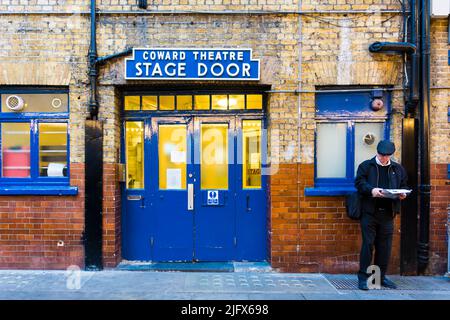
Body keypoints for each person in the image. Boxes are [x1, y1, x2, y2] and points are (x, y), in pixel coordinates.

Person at [354, 140, 408, 290]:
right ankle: (363, 278)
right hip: (369, 213)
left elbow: (403, 185)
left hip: (388, 213)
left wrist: (402, 193)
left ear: (391, 154)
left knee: (384, 247)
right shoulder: (366, 166)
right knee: (368, 245)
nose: (384, 158)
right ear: (377, 152)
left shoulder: (397, 168)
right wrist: (371, 190)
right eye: (381, 155)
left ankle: (379, 278)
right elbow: (359, 183)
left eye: (387, 155)